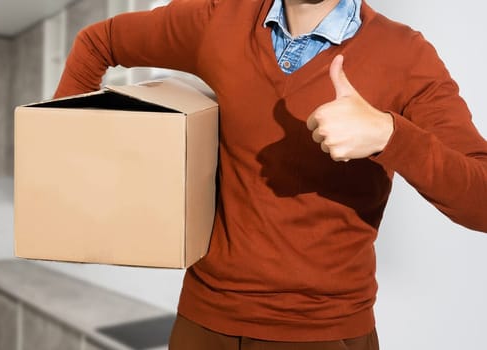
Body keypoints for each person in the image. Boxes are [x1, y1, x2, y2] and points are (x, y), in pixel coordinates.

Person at [53, 0, 487, 349]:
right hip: (203, 324)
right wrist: (67, 165)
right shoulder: (219, 18)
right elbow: (99, 41)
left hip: (322, 333)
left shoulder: (406, 54)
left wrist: (391, 135)